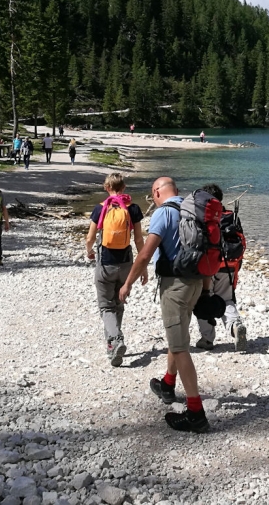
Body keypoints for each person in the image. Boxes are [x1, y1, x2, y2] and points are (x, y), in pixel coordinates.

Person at [120, 177, 210, 433]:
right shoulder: (193, 210)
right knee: (177, 335)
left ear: (157, 192)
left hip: (174, 287)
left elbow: (145, 254)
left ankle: (196, 413)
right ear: (177, 191)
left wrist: (127, 283)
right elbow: (204, 250)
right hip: (196, 283)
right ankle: (168, 384)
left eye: (153, 196)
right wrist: (206, 290)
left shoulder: (164, 213)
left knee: (180, 348)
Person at [85, 172, 145, 367]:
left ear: (106, 187)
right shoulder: (133, 209)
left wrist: (89, 251)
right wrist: (143, 267)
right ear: (124, 187)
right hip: (126, 264)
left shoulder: (100, 208)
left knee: (106, 307)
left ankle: (116, 338)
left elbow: (90, 238)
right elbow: (138, 240)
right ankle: (112, 347)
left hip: (105, 264)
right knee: (118, 304)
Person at [195, 183, 248, 353]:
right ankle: (235, 326)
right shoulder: (231, 216)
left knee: (204, 299)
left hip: (209, 266)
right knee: (227, 299)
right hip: (229, 265)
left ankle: (207, 339)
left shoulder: (203, 216)